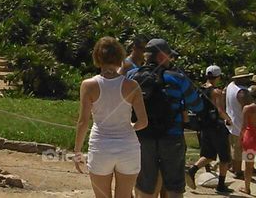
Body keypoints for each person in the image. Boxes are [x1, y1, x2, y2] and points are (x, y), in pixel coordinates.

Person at [127, 38, 203, 198]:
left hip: (143, 137)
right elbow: (197, 105)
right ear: (161, 56)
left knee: (145, 185)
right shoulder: (177, 78)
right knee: (174, 186)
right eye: (170, 56)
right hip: (172, 137)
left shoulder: (132, 75)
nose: (171, 60)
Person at [75, 37, 149, 198]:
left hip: (101, 145)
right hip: (128, 146)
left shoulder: (88, 85)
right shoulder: (132, 86)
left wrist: (77, 151)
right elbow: (143, 122)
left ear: (97, 57)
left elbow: (83, 122)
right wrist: (130, 127)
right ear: (120, 57)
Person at [186, 65, 234, 193]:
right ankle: (221, 185)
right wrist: (229, 120)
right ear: (218, 77)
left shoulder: (199, 89)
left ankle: (192, 170)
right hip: (217, 126)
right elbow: (220, 110)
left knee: (208, 155)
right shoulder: (216, 92)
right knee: (224, 157)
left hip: (204, 126)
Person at [224, 67, 253, 180]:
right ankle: (238, 171)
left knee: (234, 146)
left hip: (231, 120)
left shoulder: (230, 86)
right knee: (239, 149)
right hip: (240, 123)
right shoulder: (242, 92)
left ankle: (233, 166)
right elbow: (247, 109)